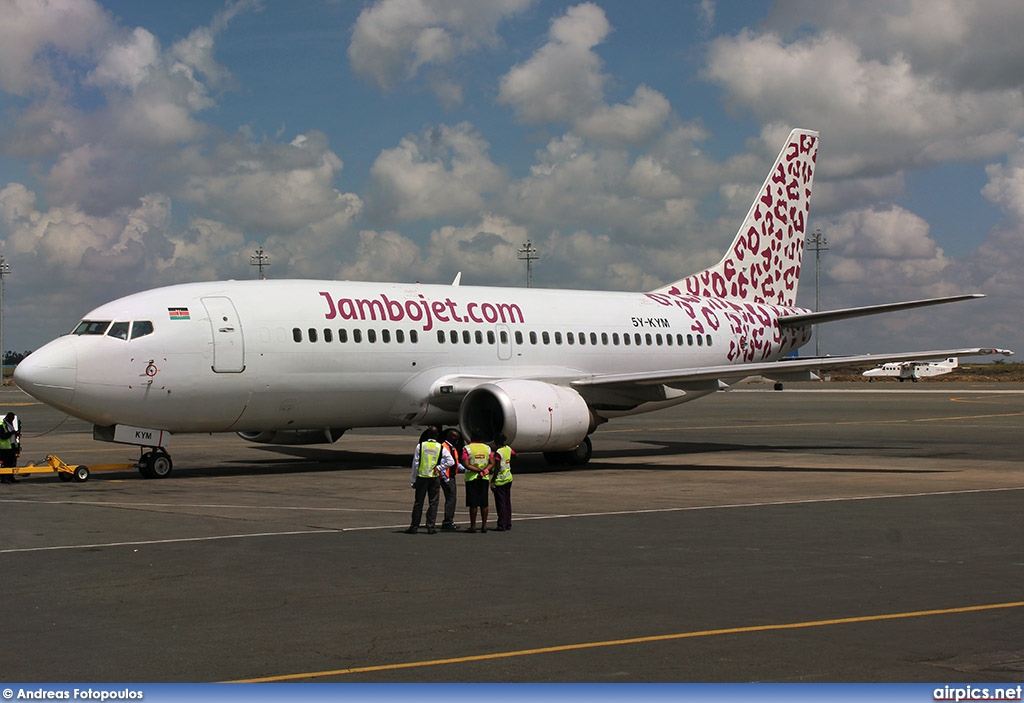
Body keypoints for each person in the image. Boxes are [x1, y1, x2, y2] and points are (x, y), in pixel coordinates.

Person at [405, 426, 454, 534]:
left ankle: (414, 526)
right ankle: (430, 526)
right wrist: (439, 468)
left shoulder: (421, 446)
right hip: (434, 477)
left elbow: (415, 464)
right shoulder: (440, 447)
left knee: (418, 503)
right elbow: (451, 461)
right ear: (437, 436)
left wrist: (413, 480)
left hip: (422, 477)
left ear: (427, 435)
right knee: (433, 503)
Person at [461, 437, 493, 533]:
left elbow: (466, 464)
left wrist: (477, 470)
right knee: (484, 503)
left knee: (473, 504)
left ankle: (473, 526)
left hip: (472, 478)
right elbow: (492, 463)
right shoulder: (487, 448)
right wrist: (485, 470)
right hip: (484, 478)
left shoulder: (467, 448)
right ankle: (484, 526)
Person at [439, 427, 465, 530]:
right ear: (450, 437)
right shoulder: (444, 448)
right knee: (451, 498)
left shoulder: (452, 448)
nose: (457, 440)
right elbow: (442, 465)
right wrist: (446, 479)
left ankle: (448, 521)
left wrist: (466, 469)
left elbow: (456, 463)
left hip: (451, 476)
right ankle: (447, 522)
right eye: (455, 437)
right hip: (447, 477)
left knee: (451, 498)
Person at [490, 434, 515, 531]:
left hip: (500, 480)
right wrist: (509, 463)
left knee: (500, 503)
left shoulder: (498, 452)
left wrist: (493, 480)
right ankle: (508, 523)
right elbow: (515, 455)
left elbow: (497, 467)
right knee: (507, 502)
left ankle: (502, 524)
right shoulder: (508, 449)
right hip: (508, 478)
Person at [0, 412, 20, 483]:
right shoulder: (2, 425)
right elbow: (2, 436)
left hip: (11, 446)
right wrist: (11, 433)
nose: (12, 420)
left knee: (11, 463)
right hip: (4, 448)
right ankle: (4, 478)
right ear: (8, 418)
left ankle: (11, 477)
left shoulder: (9, 424)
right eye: (12, 419)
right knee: (5, 464)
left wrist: (15, 434)